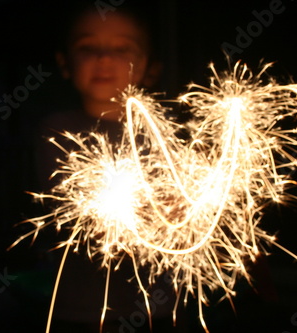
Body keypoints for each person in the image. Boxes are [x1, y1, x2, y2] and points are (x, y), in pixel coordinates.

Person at [32, 3, 185, 333]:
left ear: (148, 67)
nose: (103, 58)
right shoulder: (58, 132)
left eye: (122, 48)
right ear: (65, 63)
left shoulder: (162, 133)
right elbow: (75, 209)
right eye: (88, 47)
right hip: (81, 314)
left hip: (156, 312)